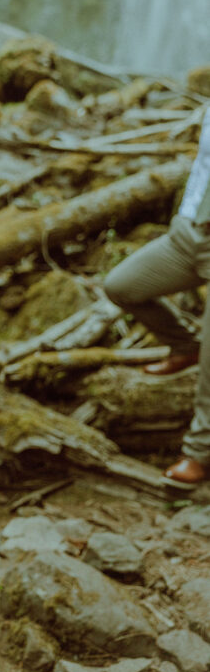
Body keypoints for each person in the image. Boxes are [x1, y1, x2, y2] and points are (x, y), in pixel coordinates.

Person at [104, 106, 210, 486]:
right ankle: (184, 345)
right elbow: (204, 162)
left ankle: (198, 455)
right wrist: (184, 214)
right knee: (122, 285)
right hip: (192, 232)